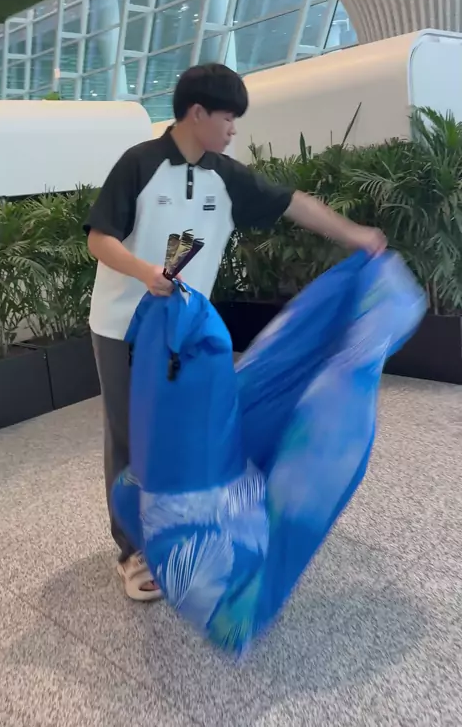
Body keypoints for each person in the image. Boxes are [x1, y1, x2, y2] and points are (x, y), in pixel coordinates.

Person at [84, 63, 386, 601]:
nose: (233, 129)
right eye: (228, 118)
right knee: (130, 433)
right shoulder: (140, 164)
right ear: (197, 113)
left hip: (186, 330)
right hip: (122, 326)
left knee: (188, 429)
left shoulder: (226, 176)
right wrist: (145, 272)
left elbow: (294, 204)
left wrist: (354, 235)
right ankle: (132, 551)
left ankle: (179, 530)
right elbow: (99, 239)